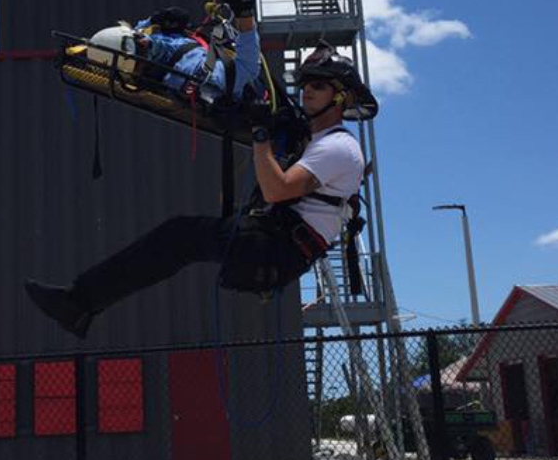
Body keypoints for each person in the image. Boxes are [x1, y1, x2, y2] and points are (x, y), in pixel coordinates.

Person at [25, 43, 378, 338]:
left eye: (318, 85)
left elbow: (276, 190)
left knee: (180, 236)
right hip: (273, 240)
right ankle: (80, 304)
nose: (307, 90)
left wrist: (259, 135)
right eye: (306, 83)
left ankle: (79, 304)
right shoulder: (310, 138)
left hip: (277, 250)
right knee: (179, 238)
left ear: (341, 97)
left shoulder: (339, 148)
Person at [84, 0, 260, 105]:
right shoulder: (186, 71)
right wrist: (244, 14)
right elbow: (246, 70)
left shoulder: (145, 41)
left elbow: (139, 34)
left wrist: (155, 19)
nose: (143, 39)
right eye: (139, 45)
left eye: (137, 37)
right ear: (134, 64)